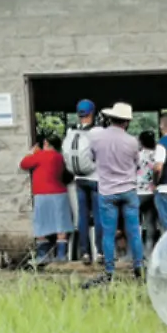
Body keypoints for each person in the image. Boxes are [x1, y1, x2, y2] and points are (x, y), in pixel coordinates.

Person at [84, 101, 144, 287]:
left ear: (110, 118)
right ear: (126, 122)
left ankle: (109, 271)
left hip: (107, 191)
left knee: (108, 234)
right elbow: (137, 164)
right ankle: (138, 269)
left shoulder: (97, 139)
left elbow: (92, 158)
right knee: (134, 232)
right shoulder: (132, 141)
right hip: (128, 190)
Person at [20, 134, 72, 263]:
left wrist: (31, 153)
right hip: (60, 194)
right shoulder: (59, 157)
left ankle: (42, 256)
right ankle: (61, 255)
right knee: (61, 224)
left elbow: (24, 164)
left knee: (41, 224)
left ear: (46, 143)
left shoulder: (40, 155)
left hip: (42, 194)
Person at [65, 99, 104, 265]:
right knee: (98, 215)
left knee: (82, 216)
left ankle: (85, 252)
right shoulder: (98, 131)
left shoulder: (71, 131)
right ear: (92, 113)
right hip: (95, 178)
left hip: (79, 178)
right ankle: (100, 252)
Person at [136, 130, 159, 249]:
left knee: (136, 221)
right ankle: (149, 247)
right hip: (153, 191)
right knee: (151, 221)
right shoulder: (157, 155)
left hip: (139, 191)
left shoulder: (138, 155)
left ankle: (137, 249)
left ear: (141, 142)